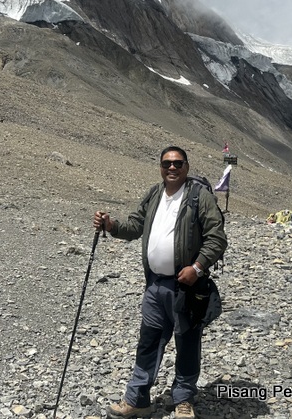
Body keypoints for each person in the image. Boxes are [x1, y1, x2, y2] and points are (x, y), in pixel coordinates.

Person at [93, 146, 227, 419]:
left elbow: (217, 238)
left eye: (178, 163)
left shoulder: (199, 197)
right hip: (154, 286)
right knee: (149, 341)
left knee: (187, 341)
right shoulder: (154, 194)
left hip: (186, 287)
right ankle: (138, 399)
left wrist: (197, 267)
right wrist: (111, 225)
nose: (172, 168)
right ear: (161, 167)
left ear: (187, 167)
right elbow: (135, 226)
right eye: (167, 164)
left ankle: (183, 400)